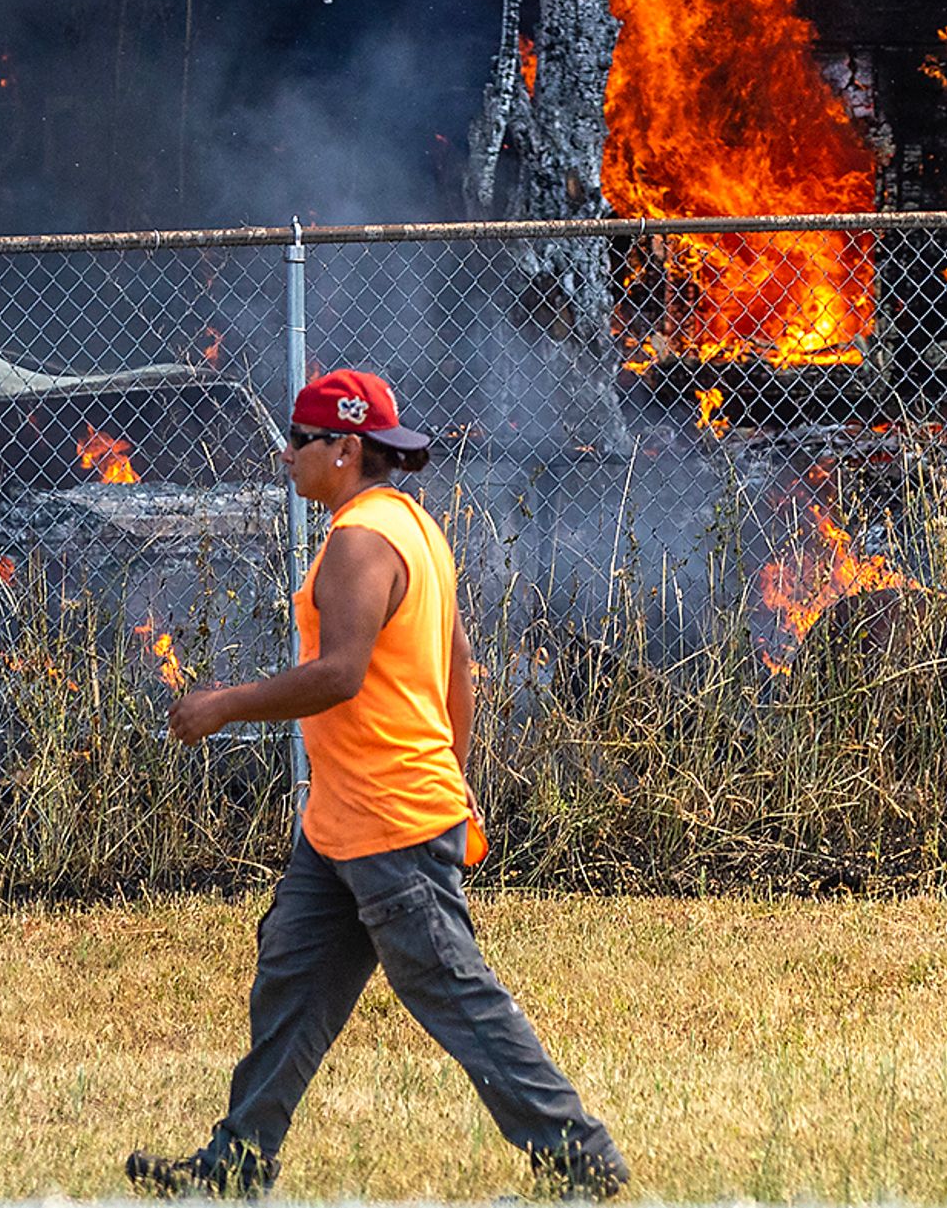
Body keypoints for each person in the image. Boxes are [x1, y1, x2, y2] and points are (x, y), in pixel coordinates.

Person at [126, 368, 625, 1200]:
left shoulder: (362, 539)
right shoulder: (415, 528)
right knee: (292, 981)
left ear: (345, 448)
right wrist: (455, 775)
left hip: (391, 818)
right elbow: (462, 668)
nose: (286, 454)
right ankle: (234, 1168)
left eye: (299, 438)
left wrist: (223, 703)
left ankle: (579, 1157)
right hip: (345, 819)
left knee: (450, 988)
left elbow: (340, 674)